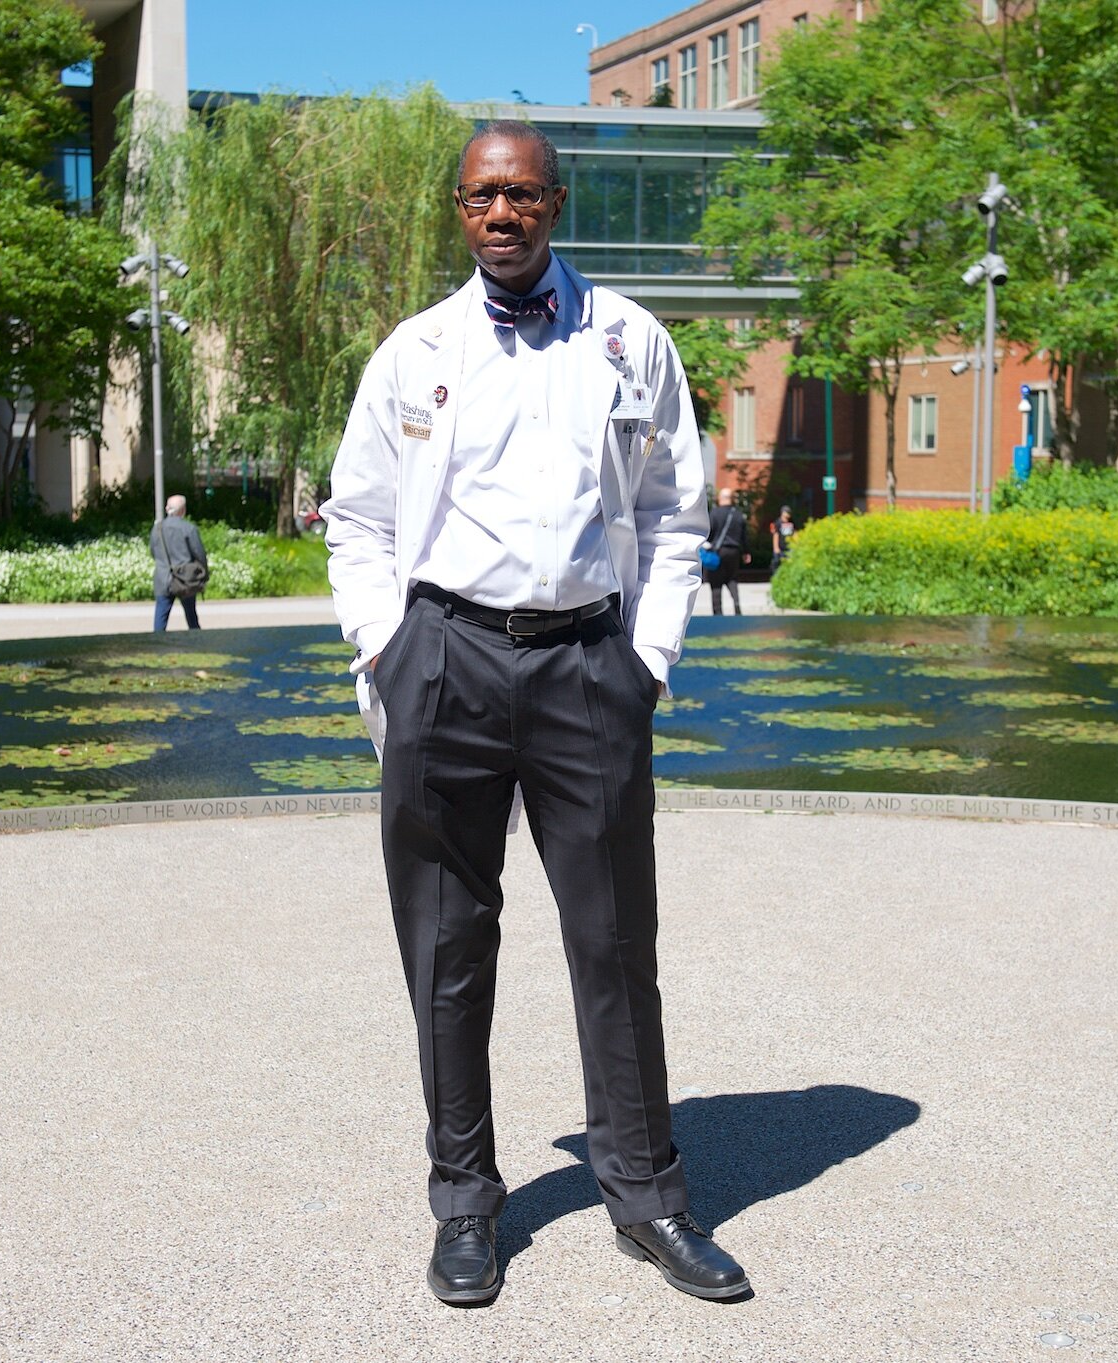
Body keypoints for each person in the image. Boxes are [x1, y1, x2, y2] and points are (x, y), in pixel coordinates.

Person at [322, 120, 749, 1307]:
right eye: (479, 197)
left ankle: (650, 1197)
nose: (500, 216)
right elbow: (355, 515)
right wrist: (387, 648)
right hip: (445, 661)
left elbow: (676, 511)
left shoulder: (630, 340)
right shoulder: (416, 351)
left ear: (556, 204)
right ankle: (465, 1201)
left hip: (587, 672)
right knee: (448, 950)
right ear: (458, 210)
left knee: (616, 945)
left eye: (522, 196)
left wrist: (645, 659)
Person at [149, 494, 208, 631]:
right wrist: (203, 573)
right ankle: (196, 645)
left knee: (161, 617)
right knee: (191, 617)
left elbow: (153, 552)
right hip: (185, 578)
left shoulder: (156, 529)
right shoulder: (188, 528)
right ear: (183, 510)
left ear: (166, 509)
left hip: (163, 577)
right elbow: (199, 553)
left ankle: (158, 645)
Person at [703, 487, 748, 615]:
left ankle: (718, 613)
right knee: (732, 579)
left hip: (717, 552)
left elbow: (708, 533)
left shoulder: (715, 513)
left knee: (716, 582)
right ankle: (737, 606)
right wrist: (746, 552)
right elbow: (744, 535)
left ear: (720, 498)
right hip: (734, 551)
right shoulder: (738, 514)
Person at [770, 504, 798, 573]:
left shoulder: (792, 522)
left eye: (789, 513)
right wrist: (776, 548)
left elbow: (795, 533)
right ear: (783, 513)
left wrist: (797, 544)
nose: (789, 514)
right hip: (780, 548)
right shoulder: (778, 523)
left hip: (790, 548)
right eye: (787, 512)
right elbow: (776, 535)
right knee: (777, 563)